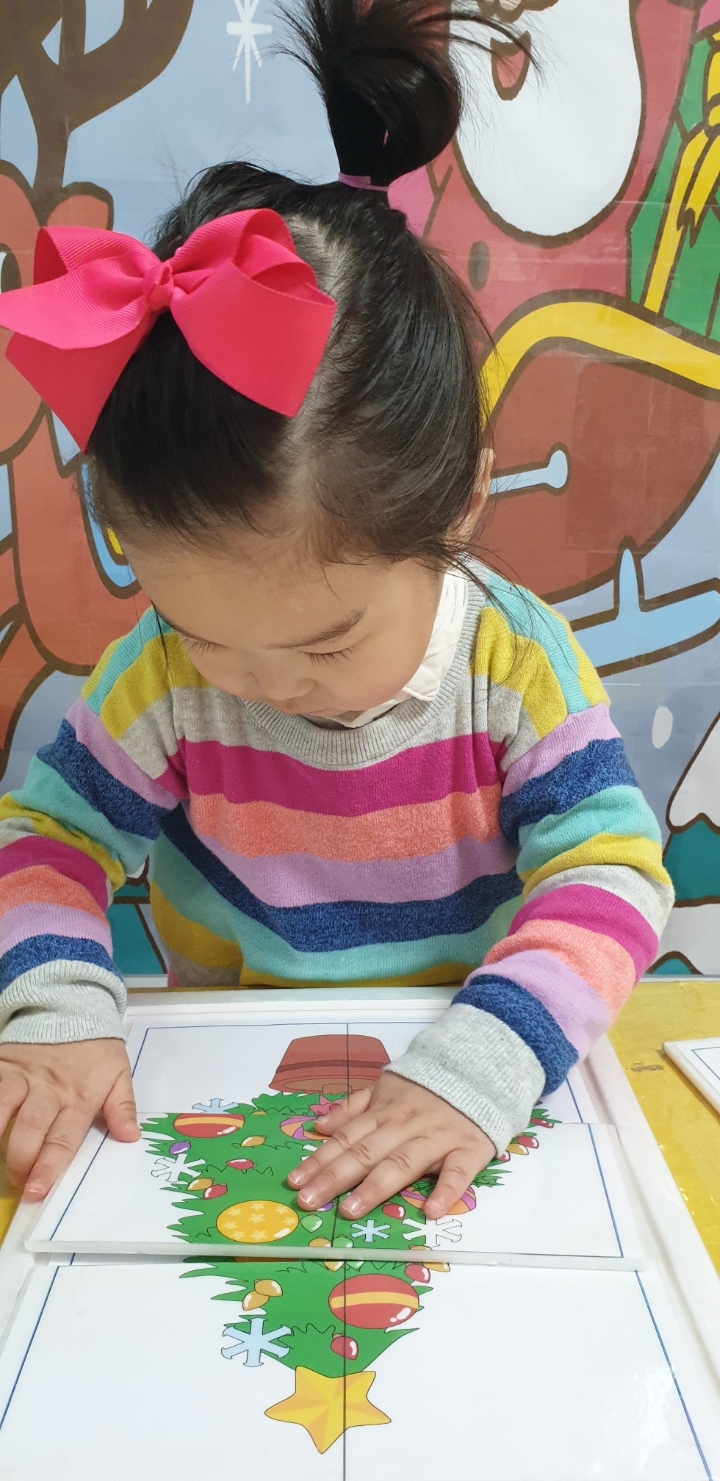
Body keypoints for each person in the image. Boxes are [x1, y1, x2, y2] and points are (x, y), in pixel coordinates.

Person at [0, 0, 671, 1220]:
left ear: (459, 501)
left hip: (463, 1059)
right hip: (232, 1064)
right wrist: (57, 1012)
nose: (259, 683)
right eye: (202, 632)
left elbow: (611, 876)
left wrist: (482, 1066)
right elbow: (48, 838)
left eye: (324, 643)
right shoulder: (164, 672)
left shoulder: (513, 667)